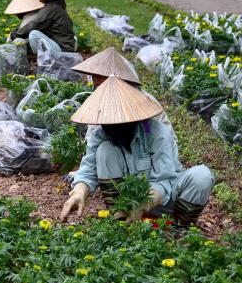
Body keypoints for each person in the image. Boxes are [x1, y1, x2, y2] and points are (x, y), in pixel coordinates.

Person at [60, 76, 214, 228]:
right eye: (108, 123)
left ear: (132, 118)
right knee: (105, 150)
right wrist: (79, 192)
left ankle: (179, 228)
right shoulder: (101, 134)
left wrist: (142, 206)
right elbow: (88, 169)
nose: (111, 129)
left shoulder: (156, 132)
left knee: (202, 176)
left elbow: (164, 180)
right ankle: (120, 219)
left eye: (118, 123)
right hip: (129, 205)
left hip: (165, 201)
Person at [70, 46, 175, 138]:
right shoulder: (100, 103)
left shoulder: (143, 102)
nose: (99, 89)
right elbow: (92, 139)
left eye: (102, 82)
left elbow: (161, 137)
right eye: (96, 84)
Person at [9, 0, 76, 57]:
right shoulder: (58, 6)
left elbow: (34, 25)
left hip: (62, 50)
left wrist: (15, 34)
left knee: (34, 34)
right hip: (66, 46)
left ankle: (46, 61)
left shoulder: (51, 8)